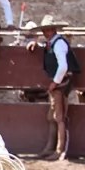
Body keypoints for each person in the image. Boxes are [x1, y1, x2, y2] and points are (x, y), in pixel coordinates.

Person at [26, 15, 79, 161]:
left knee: (59, 117)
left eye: (48, 29)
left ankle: (60, 150)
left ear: (54, 29)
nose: (46, 32)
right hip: (60, 83)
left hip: (61, 84)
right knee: (53, 116)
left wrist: (54, 83)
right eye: (45, 30)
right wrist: (35, 43)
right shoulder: (53, 43)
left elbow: (63, 66)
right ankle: (51, 148)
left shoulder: (58, 44)